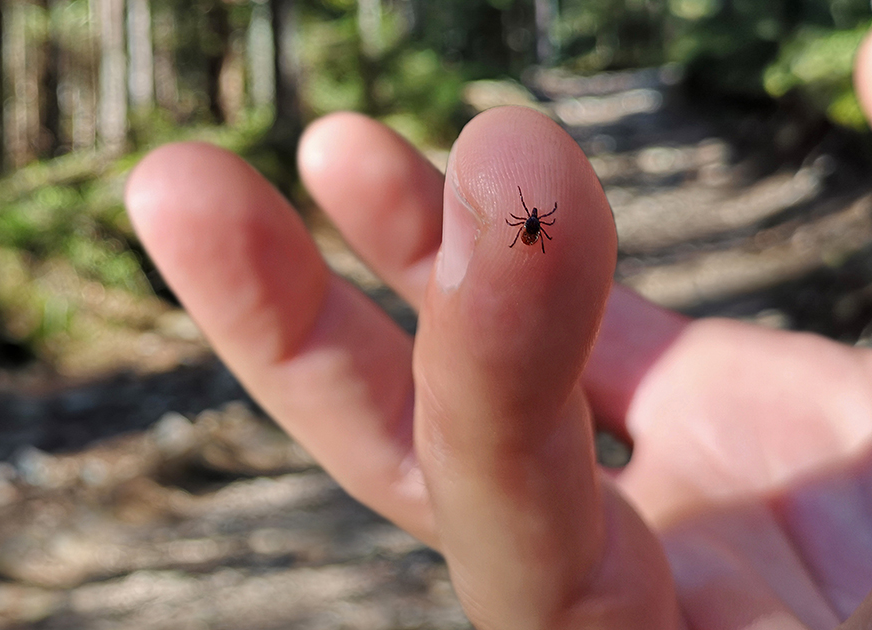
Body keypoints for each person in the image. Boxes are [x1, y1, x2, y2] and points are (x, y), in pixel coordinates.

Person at [124, 31, 872, 630]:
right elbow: (526, 224)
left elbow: (528, 225)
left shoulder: (531, 223)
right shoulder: (528, 221)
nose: (532, 223)